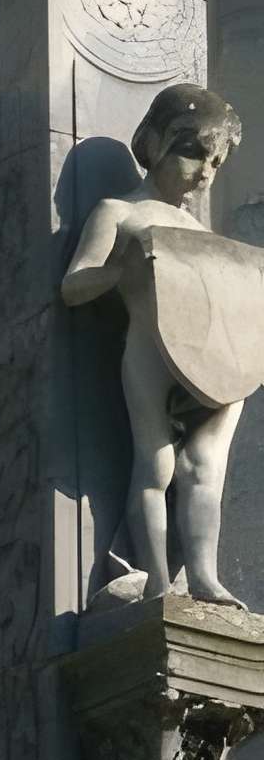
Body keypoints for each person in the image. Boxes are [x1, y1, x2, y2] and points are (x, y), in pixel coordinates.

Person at [64, 83, 247, 607]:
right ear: (156, 143)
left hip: (215, 353)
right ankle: (159, 580)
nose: (205, 172)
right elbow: (74, 286)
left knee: (207, 464)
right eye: (193, 153)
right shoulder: (120, 212)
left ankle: (205, 577)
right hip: (148, 347)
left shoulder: (200, 230)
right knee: (156, 461)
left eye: (216, 160)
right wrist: (123, 264)